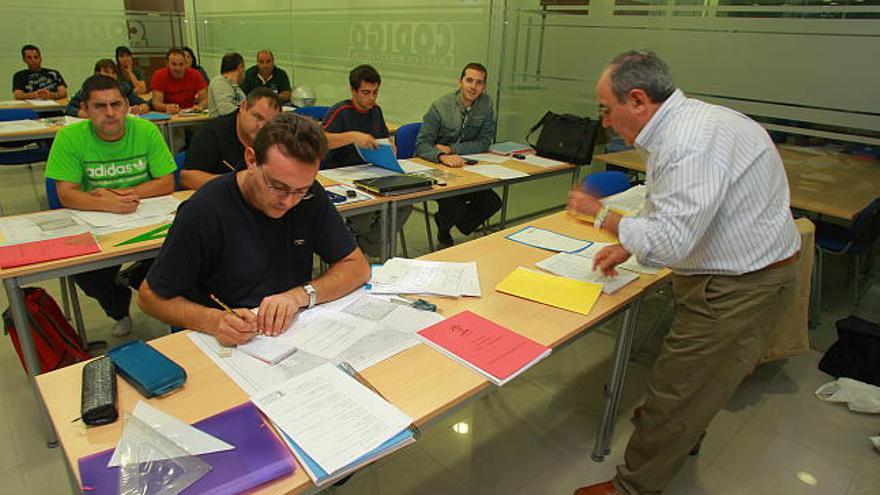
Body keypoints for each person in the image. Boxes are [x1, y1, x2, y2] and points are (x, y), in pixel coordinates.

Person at [569, 50, 800, 495]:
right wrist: (628, 244)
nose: (605, 123)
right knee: (696, 385)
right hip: (741, 273)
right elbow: (673, 212)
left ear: (637, 100)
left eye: (606, 109)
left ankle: (633, 486)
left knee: (675, 395)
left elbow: (673, 242)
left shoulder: (687, 143)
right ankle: (683, 434)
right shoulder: (690, 123)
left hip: (738, 287)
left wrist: (602, 217)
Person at [137, 113, 370, 345]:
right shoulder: (205, 209)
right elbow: (149, 297)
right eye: (278, 186)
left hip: (289, 333)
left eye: (300, 190)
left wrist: (300, 295)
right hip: (229, 340)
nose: (288, 202)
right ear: (251, 160)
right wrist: (215, 320)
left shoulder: (309, 195)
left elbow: (357, 267)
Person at [45, 75, 176, 337]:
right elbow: (67, 195)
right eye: (100, 106)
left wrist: (121, 195)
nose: (110, 113)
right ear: (85, 109)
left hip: (145, 217)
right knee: (89, 276)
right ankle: (118, 306)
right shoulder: (69, 138)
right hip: (97, 223)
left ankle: (136, 276)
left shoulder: (146, 131)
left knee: (179, 257)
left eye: (116, 104)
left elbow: (167, 183)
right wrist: (108, 205)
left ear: (127, 105)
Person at [320, 64, 408, 257]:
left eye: (375, 93)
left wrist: (389, 145)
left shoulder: (376, 111)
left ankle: (367, 245)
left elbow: (382, 138)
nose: (371, 98)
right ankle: (354, 244)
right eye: (366, 93)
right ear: (353, 91)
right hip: (340, 174)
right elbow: (320, 141)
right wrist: (352, 136)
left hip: (370, 171)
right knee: (364, 213)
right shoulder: (341, 111)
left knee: (405, 201)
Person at [415, 62, 501, 248]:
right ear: (460, 82)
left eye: (479, 82)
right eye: (469, 80)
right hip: (436, 168)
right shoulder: (440, 106)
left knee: (493, 203)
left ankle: (450, 222)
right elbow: (421, 144)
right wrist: (441, 156)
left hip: (466, 167)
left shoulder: (486, 105)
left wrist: (453, 149)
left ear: (484, 87)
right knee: (456, 204)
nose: (473, 86)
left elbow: (485, 142)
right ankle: (445, 228)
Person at [180, 87, 281, 190]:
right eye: (258, 117)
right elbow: (187, 178)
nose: (262, 127)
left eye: (269, 123)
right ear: (243, 107)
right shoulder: (213, 132)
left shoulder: (274, 138)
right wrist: (235, 184)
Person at [66, 59, 149, 117]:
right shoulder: (89, 88)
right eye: (106, 72)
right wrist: (86, 114)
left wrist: (140, 109)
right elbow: (69, 108)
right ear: (97, 74)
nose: (110, 76)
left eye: (113, 73)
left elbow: (145, 104)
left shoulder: (123, 87)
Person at [150, 48, 208, 114]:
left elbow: (206, 99)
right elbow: (156, 103)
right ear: (167, 64)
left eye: (181, 64)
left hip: (191, 114)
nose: (178, 68)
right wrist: (166, 107)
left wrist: (200, 106)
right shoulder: (159, 76)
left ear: (186, 64)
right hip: (169, 115)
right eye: (174, 64)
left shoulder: (195, 74)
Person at [207, 52, 246, 118]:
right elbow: (227, 111)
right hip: (222, 127)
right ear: (240, 67)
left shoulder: (234, 86)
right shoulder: (219, 82)